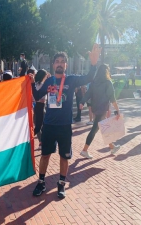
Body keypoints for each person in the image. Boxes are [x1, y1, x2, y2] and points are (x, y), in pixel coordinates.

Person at [30, 43, 100, 199]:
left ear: (65, 65)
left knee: (64, 156)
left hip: (64, 127)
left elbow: (89, 77)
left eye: (62, 61)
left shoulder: (72, 80)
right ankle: (41, 182)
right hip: (49, 125)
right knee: (45, 155)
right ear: (53, 64)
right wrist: (32, 82)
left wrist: (93, 64)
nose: (60, 64)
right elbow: (37, 95)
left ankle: (61, 184)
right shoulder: (49, 82)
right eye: (57, 61)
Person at [79, 64, 121, 159]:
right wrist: (117, 110)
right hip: (102, 109)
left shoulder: (94, 82)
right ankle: (84, 150)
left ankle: (112, 146)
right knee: (95, 129)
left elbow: (88, 94)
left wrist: (82, 102)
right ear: (107, 71)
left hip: (95, 108)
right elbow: (113, 98)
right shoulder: (107, 82)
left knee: (102, 127)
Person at [32, 69, 50, 149]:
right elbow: (41, 98)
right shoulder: (42, 85)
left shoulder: (35, 84)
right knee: (39, 127)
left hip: (37, 106)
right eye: (45, 76)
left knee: (39, 126)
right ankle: (29, 139)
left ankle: (41, 142)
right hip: (41, 106)